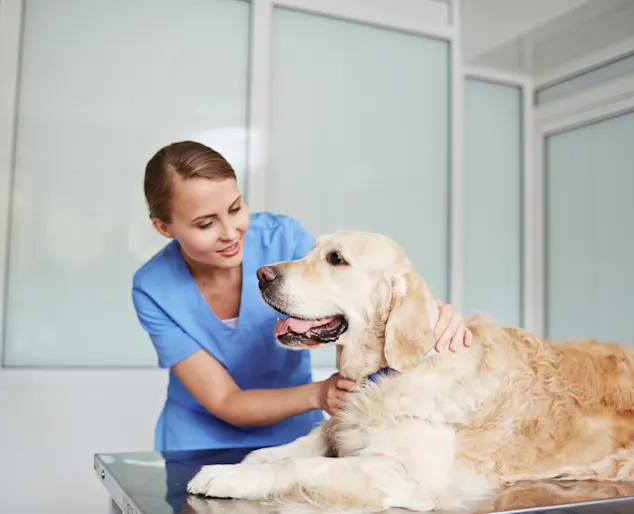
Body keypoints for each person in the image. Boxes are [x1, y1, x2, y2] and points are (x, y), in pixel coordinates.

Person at [132, 140, 473, 452]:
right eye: (205, 224)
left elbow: (357, 289)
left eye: (235, 208)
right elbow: (225, 401)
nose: (230, 232)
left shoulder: (281, 237)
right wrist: (319, 394)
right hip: (197, 446)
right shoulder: (154, 288)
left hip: (295, 440)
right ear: (165, 228)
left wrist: (436, 312)